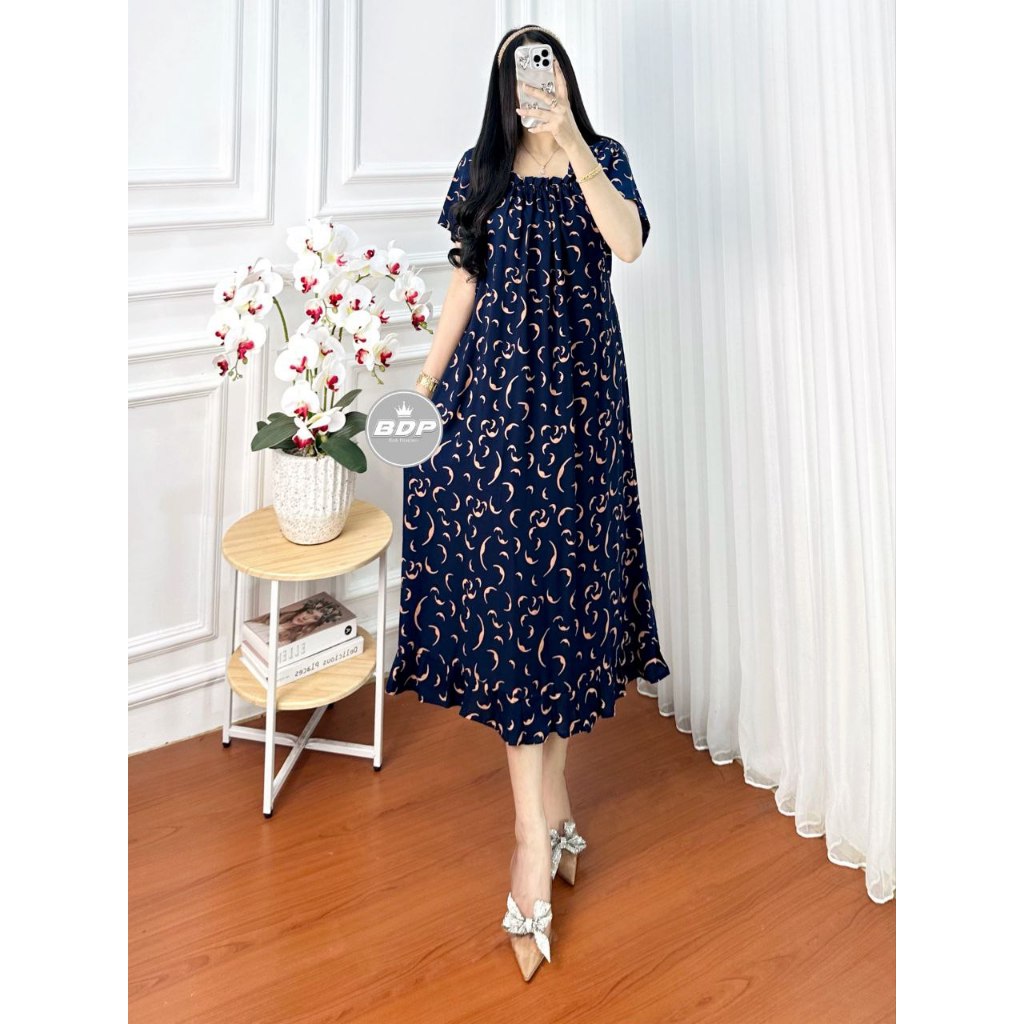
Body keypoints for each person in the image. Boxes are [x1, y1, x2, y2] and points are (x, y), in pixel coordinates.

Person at [385, 24, 670, 980]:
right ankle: (530, 838)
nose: (532, 86)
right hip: (498, 406)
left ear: (566, 80)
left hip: (582, 408)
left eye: (545, 69)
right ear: (501, 90)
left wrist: (574, 143)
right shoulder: (482, 170)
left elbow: (629, 245)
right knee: (515, 607)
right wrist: (424, 386)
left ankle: (555, 814)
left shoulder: (605, 158)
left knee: (564, 602)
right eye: (518, 74)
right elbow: (464, 284)